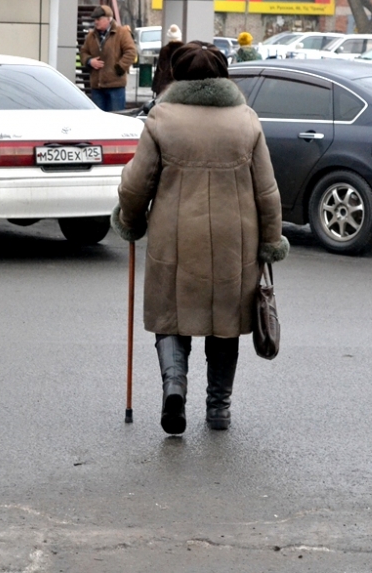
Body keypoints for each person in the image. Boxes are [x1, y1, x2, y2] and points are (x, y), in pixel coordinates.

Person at [111, 41, 290, 435]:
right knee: (225, 323)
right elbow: (267, 191)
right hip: (235, 240)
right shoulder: (246, 120)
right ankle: (218, 409)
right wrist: (271, 241)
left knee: (171, 316)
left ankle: (174, 386)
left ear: (179, 77)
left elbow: (137, 185)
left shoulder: (162, 119)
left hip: (175, 237)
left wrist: (129, 218)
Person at [80, 5, 137, 112]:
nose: (96, 22)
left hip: (115, 86)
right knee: (99, 120)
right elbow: (83, 52)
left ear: (108, 19)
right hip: (97, 87)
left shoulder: (122, 33)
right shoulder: (91, 36)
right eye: (95, 19)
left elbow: (131, 52)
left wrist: (119, 68)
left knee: (116, 118)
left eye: (99, 19)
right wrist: (89, 61)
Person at [150, 24, 183, 97]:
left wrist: (155, 87)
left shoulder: (164, 50)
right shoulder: (184, 51)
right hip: (179, 88)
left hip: (164, 88)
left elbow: (159, 70)